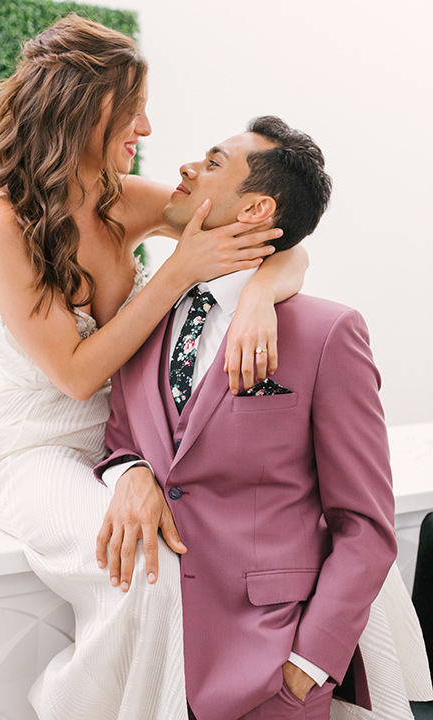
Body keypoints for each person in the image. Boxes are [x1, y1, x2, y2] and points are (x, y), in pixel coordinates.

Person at [0, 14, 310, 720]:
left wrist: (263, 297)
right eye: (132, 109)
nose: (146, 129)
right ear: (83, 111)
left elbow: (282, 237)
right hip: (39, 451)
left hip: (135, 442)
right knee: (147, 573)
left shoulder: (129, 201)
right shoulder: (3, 222)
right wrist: (178, 271)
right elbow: (78, 375)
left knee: (232, 546)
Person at [94, 116, 429, 720]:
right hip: (155, 660)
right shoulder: (146, 315)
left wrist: (307, 665)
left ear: (256, 210)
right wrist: (131, 474)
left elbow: (365, 525)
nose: (188, 168)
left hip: (273, 667)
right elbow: (121, 438)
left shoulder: (327, 334)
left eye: (214, 162)